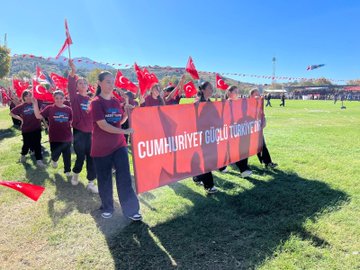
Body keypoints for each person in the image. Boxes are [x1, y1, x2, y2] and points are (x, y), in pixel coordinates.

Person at [90, 71, 141, 220]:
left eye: (112, 82)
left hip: (119, 145)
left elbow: (119, 120)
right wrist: (124, 131)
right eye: (107, 81)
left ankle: (131, 210)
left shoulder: (114, 102)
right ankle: (107, 207)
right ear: (99, 83)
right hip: (101, 149)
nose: (111, 85)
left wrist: (127, 112)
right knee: (104, 179)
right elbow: (103, 125)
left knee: (124, 177)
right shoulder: (96, 102)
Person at [68, 59, 98, 193]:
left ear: (87, 86)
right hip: (79, 133)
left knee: (91, 157)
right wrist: (73, 72)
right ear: (77, 87)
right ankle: (75, 174)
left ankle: (91, 182)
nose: (83, 84)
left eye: (85, 83)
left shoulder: (91, 100)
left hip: (91, 134)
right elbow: (70, 86)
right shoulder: (75, 98)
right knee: (80, 157)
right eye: (80, 83)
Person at [33, 90, 73, 177]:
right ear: (54, 99)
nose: (59, 100)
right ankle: (54, 160)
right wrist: (35, 104)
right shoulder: (50, 108)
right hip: (54, 137)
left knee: (67, 155)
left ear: (64, 98)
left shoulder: (68, 109)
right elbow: (38, 116)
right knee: (55, 154)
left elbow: (71, 120)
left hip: (67, 137)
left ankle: (67, 170)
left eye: (61, 98)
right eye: (57, 98)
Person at [219, 86, 253, 177]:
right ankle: (243, 169)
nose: (237, 94)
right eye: (235, 92)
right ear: (229, 93)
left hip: (237, 130)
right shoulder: (224, 103)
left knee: (234, 150)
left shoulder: (239, 103)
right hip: (227, 130)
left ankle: (222, 167)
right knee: (232, 150)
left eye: (238, 92)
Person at [192, 81, 218, 194]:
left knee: (210, 159)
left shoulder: (210, 102)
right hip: (202, 135)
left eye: (212, 88)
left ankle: (197, 177)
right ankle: (209, 185)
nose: (212, 90)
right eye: (209, 88)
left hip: (211, 135)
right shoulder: (198, 102)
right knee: (206, 159)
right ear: (203, 90)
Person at [10, 90, 46, 167]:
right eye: (26, 96)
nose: (28, 97)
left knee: (37, 144)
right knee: (26, 144)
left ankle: (39, 161)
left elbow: (43, 96)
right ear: (23, 97)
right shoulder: (21, 106)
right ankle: (23, 155)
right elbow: (11, 113)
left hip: (36, 128)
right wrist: (21, 119)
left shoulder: (37, 103)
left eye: (30, 95)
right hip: (26, 129)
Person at [250, 88, 278, 169]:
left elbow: (262, 115)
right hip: (249, 130)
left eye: (259, 94)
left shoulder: (259, 103)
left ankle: (268, 162)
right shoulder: (247, 104)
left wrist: (264, 121)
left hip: (258, 129)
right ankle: (241, 166)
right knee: (247, 148)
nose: (258, 96)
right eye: (256, 94)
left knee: (262, 145)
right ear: (251, 95)